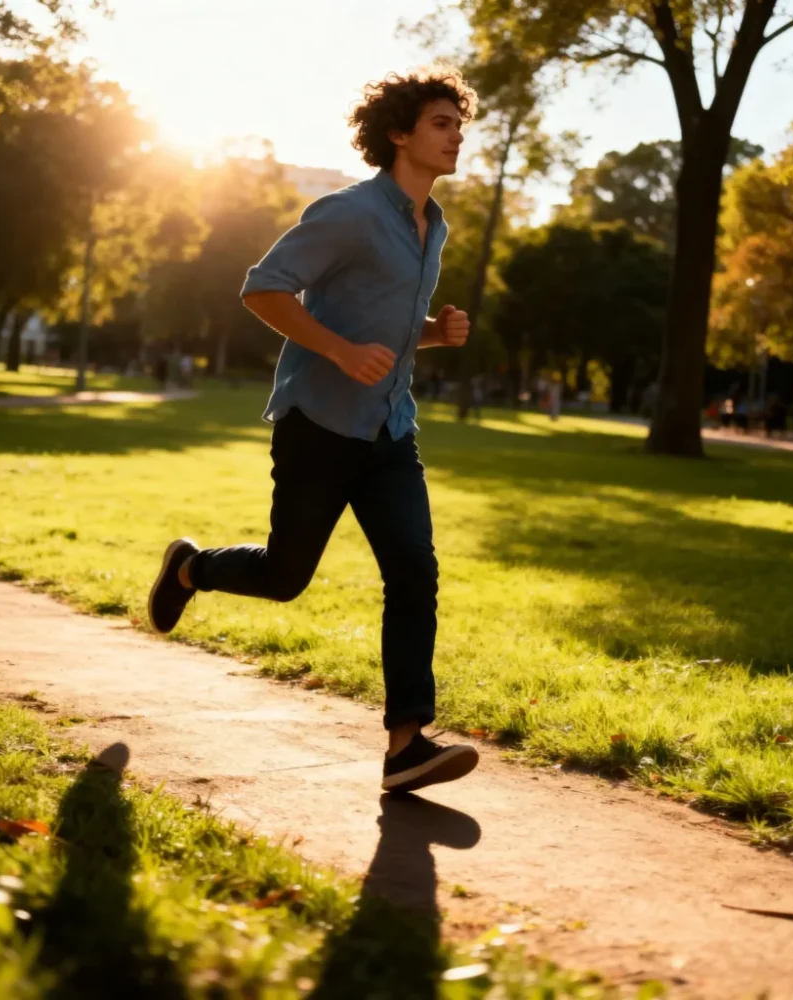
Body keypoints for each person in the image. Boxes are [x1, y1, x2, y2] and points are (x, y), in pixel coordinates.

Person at [147, 69, 481, 795]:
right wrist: (335, 350)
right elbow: (262, 287)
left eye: (460, 124)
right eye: (442, 123)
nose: (457, 135)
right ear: (400, 132)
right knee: (284, 576)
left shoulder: (435, 224)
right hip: (320, 426)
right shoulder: (353, 212)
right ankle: (191, 567)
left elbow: (381, 332)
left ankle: (406, 745)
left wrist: (432, 334)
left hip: (390, 431)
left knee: (414, 571)